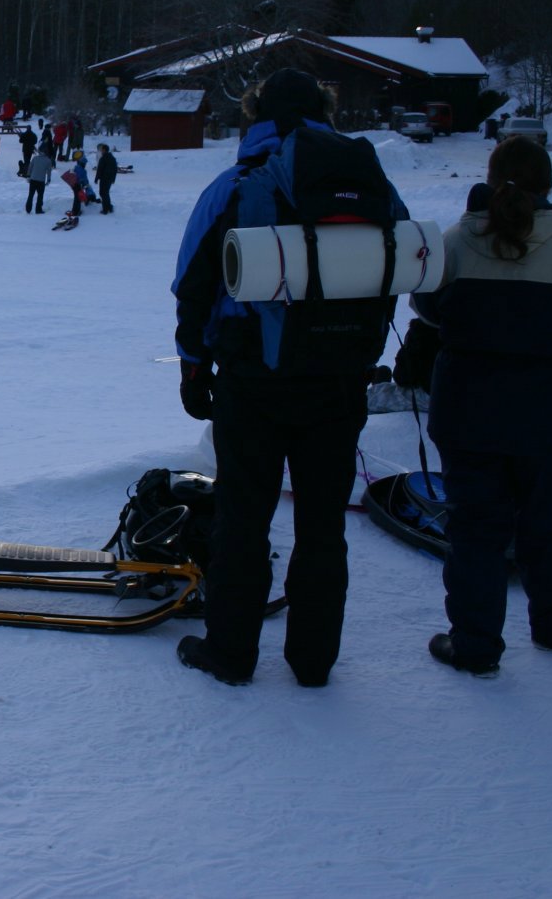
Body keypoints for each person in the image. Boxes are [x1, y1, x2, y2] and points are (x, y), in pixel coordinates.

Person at [171, 67, 408, 688]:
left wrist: (194, 367)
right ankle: (313, 660)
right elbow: (395, 271)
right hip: (340, 382)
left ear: (255, 116)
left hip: (254, 382)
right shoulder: (371, 186)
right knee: (323, 525)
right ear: (325, 113)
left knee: (243, 519)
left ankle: (231, 653)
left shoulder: (237, 186)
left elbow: (194, 286)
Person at [413, 136, 552, 674]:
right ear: (548, 186)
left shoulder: (454, 243)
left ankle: (474, 645)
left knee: (475, 529)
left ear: (491, 181)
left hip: (468, 412)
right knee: (551, 522)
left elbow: (426, 309)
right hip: (551, 415)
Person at [25, 148, 53, 214]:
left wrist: (28, 176)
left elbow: (30, 167)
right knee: (40, 196)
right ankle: (38, 209)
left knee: (31, 194)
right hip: (41, 181)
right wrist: (48, 179)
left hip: (33, 179)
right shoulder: (48, 161)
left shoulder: (35, 158)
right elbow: (49, 171)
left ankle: (28, 209)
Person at [95, 142, 118, 214]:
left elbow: (99, 169)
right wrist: (113, 179)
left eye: (102, 150)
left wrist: (96, 179)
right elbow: (115, 169)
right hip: (110, 179)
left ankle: (105, 209)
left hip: (104, 178)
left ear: (104, 150)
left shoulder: (103, 158)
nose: (101, 151)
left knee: (102, 193)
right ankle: (109, 207)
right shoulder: (112, 158)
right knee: (106, 193)